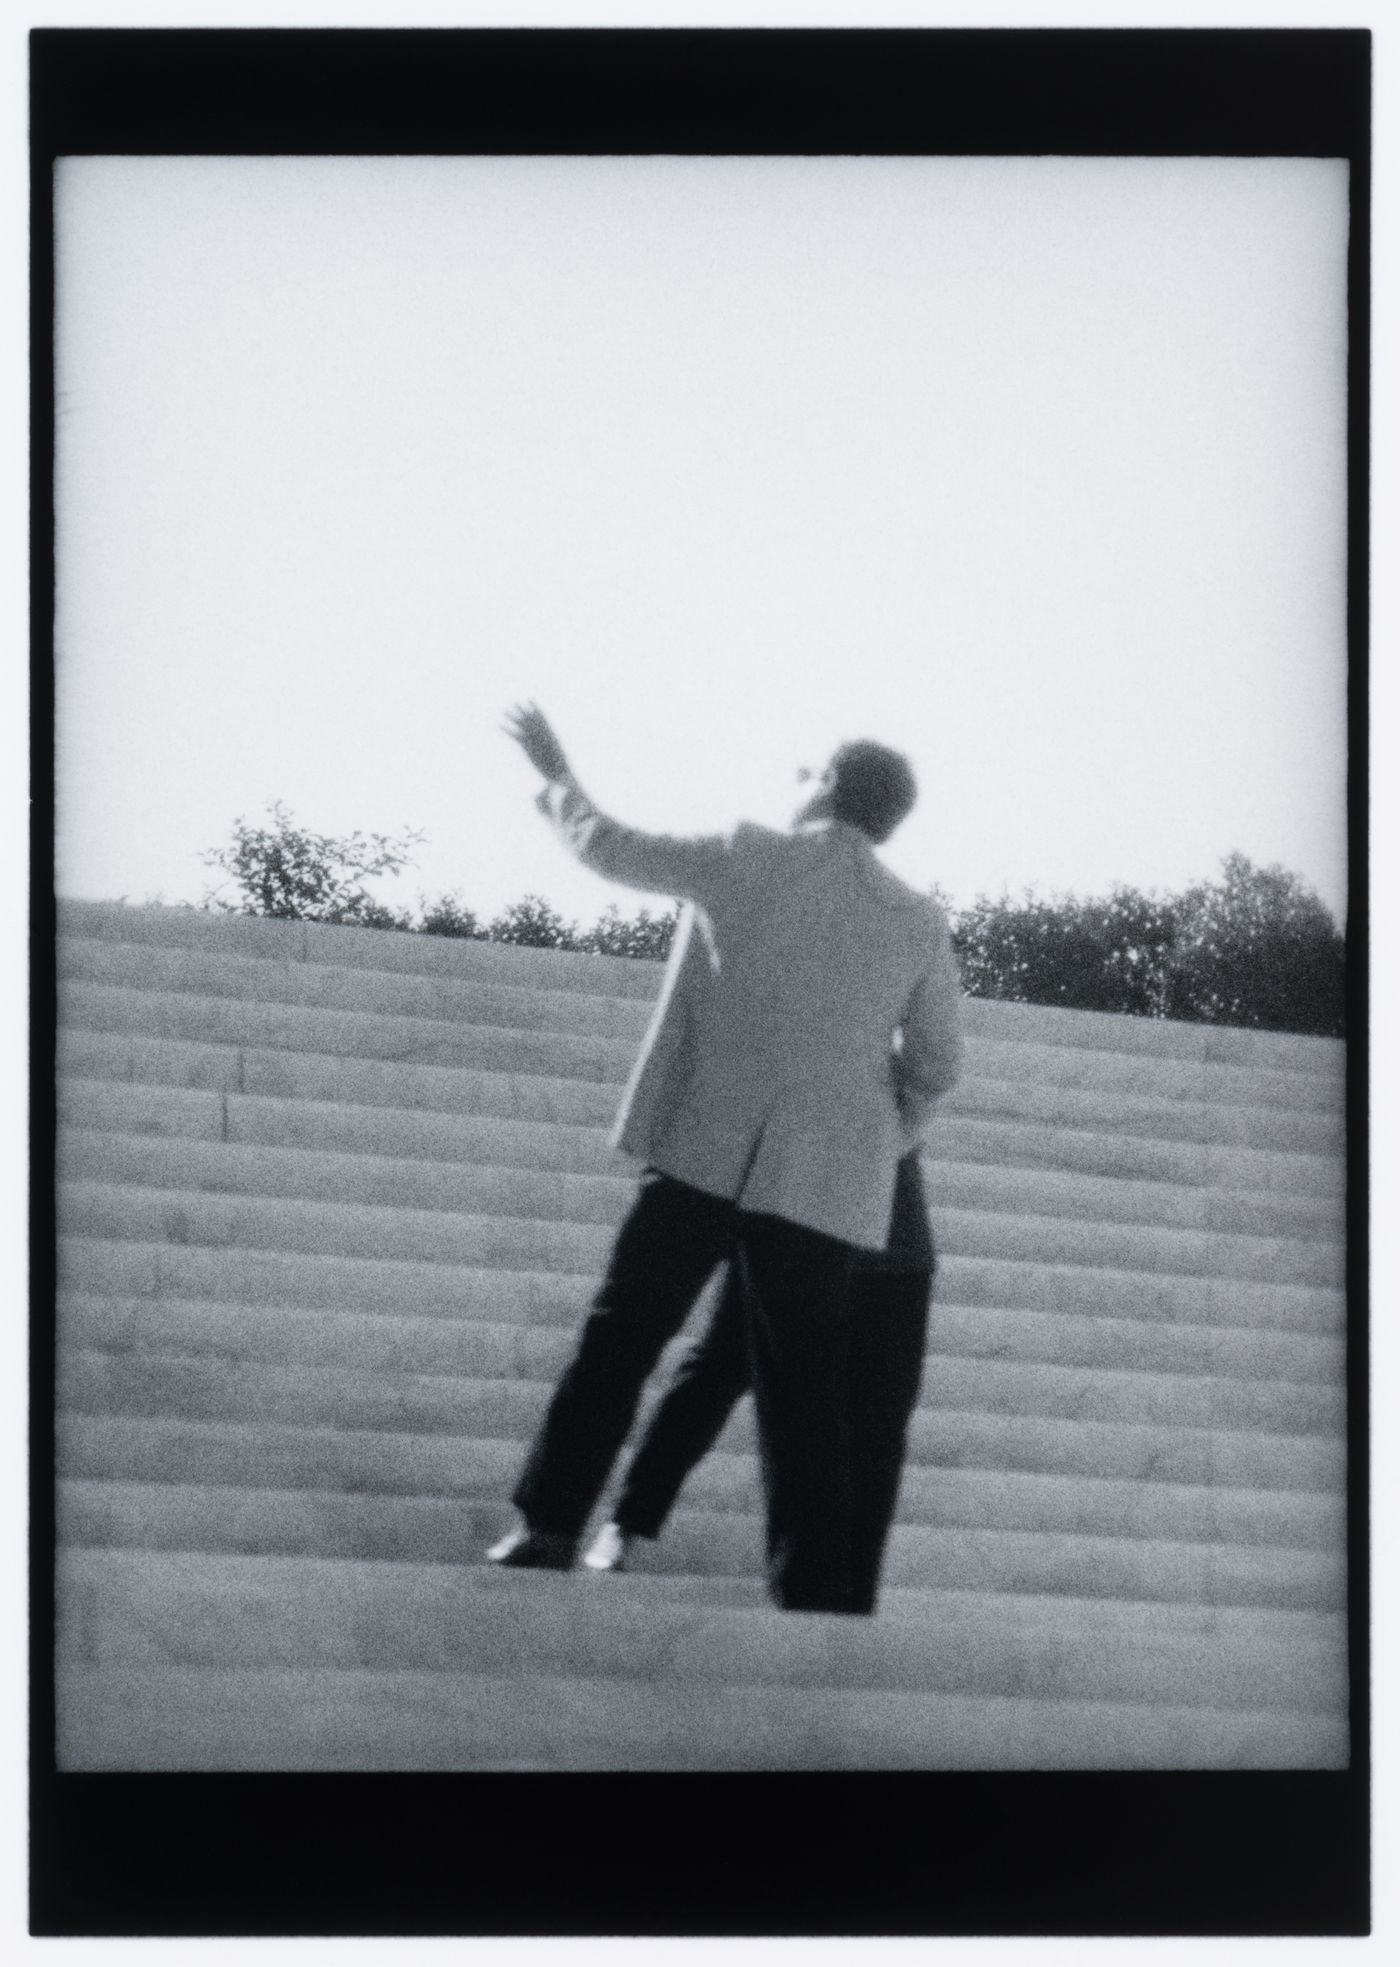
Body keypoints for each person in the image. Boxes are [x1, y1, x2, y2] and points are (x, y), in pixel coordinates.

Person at [487, 703, 962, 1612]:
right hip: (822, 1187)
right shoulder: (916, 921)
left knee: (621, 1337)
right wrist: (875, 1138)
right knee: (802, 1394)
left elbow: (609, 847)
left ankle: (548, 1525)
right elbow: (938, 1064)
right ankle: (812, 1586)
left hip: (702, 1152)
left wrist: (555, 771)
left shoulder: (747, 855)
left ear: (825, 782)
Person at [583, 1151, 935, 1616]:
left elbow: (925, 1086)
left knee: (877, 1430)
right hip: (798, 1226)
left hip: (889, 1243)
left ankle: (852, 1596)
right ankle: (628, 1520)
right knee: (718, 1370)